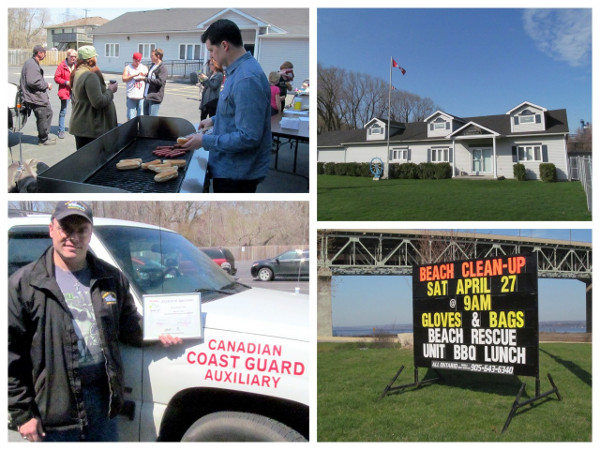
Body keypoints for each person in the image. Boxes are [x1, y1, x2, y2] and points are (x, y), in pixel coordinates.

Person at [8, 201, 182, 442]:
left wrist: (159, 330)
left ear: (90, 233)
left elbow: (129, 326)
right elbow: (10, 353)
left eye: (81, 230)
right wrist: (22, 413)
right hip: (53, 407)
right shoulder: (24, 284)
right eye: (65, 228)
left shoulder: (110, 277)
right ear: (51, 230)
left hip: (103, 401)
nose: (73, 237)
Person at [179, 19, 271, 193]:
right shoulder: (236, 71)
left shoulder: (247, 79)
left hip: (237, 175)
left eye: (211, 50)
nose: (211, 56)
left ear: (224, 45)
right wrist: (214, 120)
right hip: (229, 168)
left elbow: (249, 137)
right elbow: (237, 109)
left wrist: (204, 140)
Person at [69, 46, 118, 150]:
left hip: (82, 127)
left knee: (84, 162)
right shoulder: (89, 75)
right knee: (92, 163)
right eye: (95, 57)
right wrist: (110, 90)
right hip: (89, 128)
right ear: (91, 59)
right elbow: (98, 102)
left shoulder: (77, 72)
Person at [20, 45, 55, 145]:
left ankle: (44, 136)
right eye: (44, 52)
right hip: (35, 97)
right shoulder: (31, 64)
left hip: (37, 96)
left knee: (48, 113)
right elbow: (33, 82)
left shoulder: (32, 63)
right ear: (39, 53)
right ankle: (43, 139)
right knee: (43, 116)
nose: (45, 54)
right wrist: (46, 85)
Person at [54, 49, 78, 139]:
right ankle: (61, 130)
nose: (74, 58)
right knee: (63, 111)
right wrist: (66, 82)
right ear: (68, 56)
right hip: (66, 91)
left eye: (75, 56)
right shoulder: (62, 65)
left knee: (76, 110)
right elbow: (56, 78)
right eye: (72, 56)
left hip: (75, 91)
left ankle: (75, 128)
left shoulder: (77, 66)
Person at [122, 52, 148, 119]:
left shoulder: (144, 67)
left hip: (141, 97)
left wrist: (145, 74)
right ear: (133, 59)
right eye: (136, 61)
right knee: (131, 118)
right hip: (131, 97)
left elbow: (148, 77)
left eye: (139, 61)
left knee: (141, 118)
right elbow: (124, 79)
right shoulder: (128, 68)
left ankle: (140, 129)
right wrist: (133, 75)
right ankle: (132, 129)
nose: (137, 63)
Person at [143, 48, 168, 116]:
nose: (151, 57)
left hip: (154, 97)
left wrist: (144, 79)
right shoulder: (153, 66)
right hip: (147, 96)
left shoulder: (162, 68)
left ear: (158, 56)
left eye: (152, 55)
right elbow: (150, 77)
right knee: (146, 119)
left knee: (152, 120)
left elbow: (160, 82)